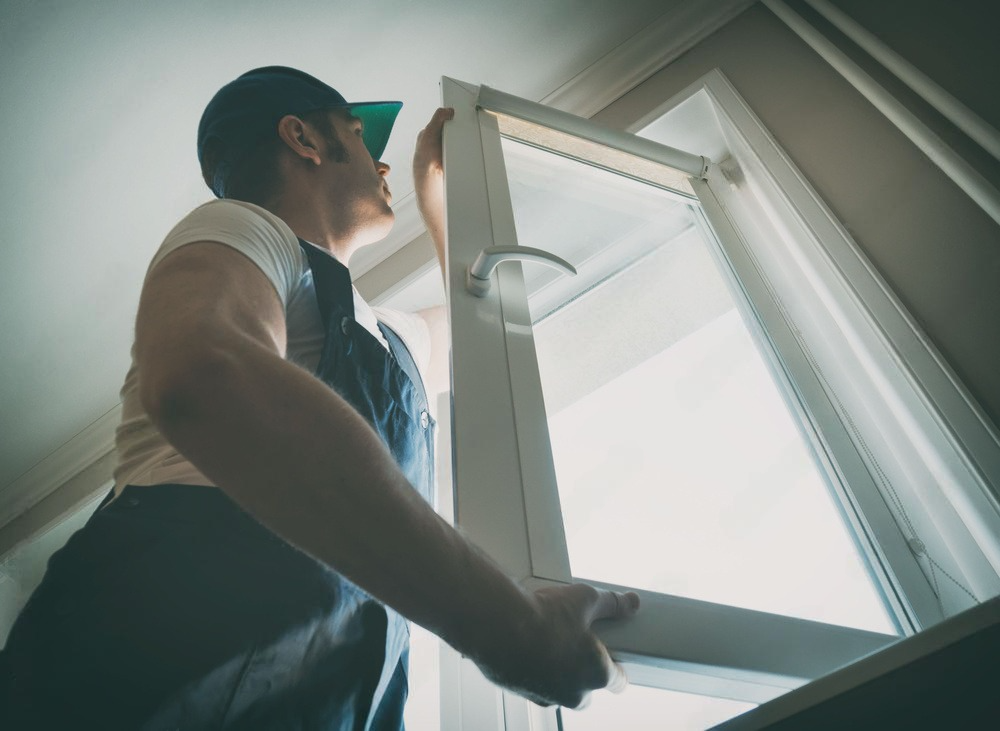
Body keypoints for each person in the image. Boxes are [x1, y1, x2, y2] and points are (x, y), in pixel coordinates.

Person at [0, 66, 638, 729]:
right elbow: (203, 375)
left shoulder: (394, 338)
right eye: (360, 135)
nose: (381, 161)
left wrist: (445, 199)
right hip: (151, 662)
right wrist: (509, 625)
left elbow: (482, 335)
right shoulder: (246, 232)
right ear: (304, 139)